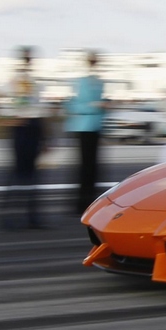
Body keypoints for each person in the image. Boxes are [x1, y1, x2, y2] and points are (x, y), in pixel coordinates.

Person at [0, 46, 48, 229]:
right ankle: (8, 217)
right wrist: (10, 120)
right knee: (18, 174)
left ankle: (31, 217)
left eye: (29, 59)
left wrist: (45, 139)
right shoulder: (14, 81)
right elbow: (5, 106)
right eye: (25, 59)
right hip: (21, 129)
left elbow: (40, 110)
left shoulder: (34, 83)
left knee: (31, 176)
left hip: (33, 128)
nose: (28, 62)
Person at [64, 50, 109, 214]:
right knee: (85, 167)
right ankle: (81, 203)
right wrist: (95, 106)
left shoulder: (99, 82)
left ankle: (90, 202)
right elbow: (72, 106)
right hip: (83, 128)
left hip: (95, 127)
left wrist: (103, 106)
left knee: (93, 168)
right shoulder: (80, 81)